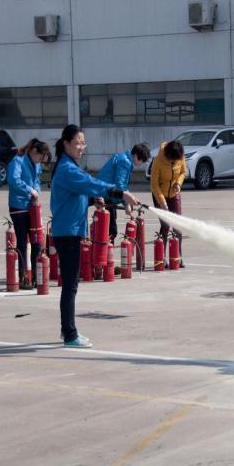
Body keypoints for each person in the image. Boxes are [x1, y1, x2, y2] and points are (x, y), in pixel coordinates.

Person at [51, 124, 139, 348]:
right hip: (67, 233)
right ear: (66, 144)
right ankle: (70, 334)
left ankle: (66, 329)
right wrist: (120, 193)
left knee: (71, 284)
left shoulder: (69, 165)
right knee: (70, 285)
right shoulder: (67, 169)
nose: (81, 147)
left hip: (69, 230)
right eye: (77, 143)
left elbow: (80, 193)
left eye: (83, 143)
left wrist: (93, 199)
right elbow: (90, 183)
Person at [7, 138, 51, 289]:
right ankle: (23, 276)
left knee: (36, 240)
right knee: (22, 241)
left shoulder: (36, 164)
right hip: (19, 206)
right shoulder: (18, 161)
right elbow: (14, 180)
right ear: (33, 152)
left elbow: (37, 180)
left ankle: (36, 276)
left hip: (32, 206)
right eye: (40, 156)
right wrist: (29, 190)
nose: (40, 160)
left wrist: (36, 191)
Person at [96, 142, 151, 243]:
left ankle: (106, 249)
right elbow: (120, 185)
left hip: (106, 193)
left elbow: (123, 186)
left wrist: (131, 198)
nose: (141, 163)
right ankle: (107, 251)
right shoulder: (125, 162)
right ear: (136, 155)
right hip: (106, 194)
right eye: (142, 160)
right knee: (111, 230)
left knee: (108, 228)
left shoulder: (124, 159)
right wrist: (126, 203)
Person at [150, 140, 187, 267]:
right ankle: (162, 257)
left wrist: (178, 184)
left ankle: (178, 256)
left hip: (174, 194)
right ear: (168, 155)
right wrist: (162, 202)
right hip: (159, 194)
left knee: (177, 225)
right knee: (165, 226)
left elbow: (183, 172)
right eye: (173, 160)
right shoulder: (158, 161)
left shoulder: (180, 156)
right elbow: (154, 184)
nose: (175, 162)